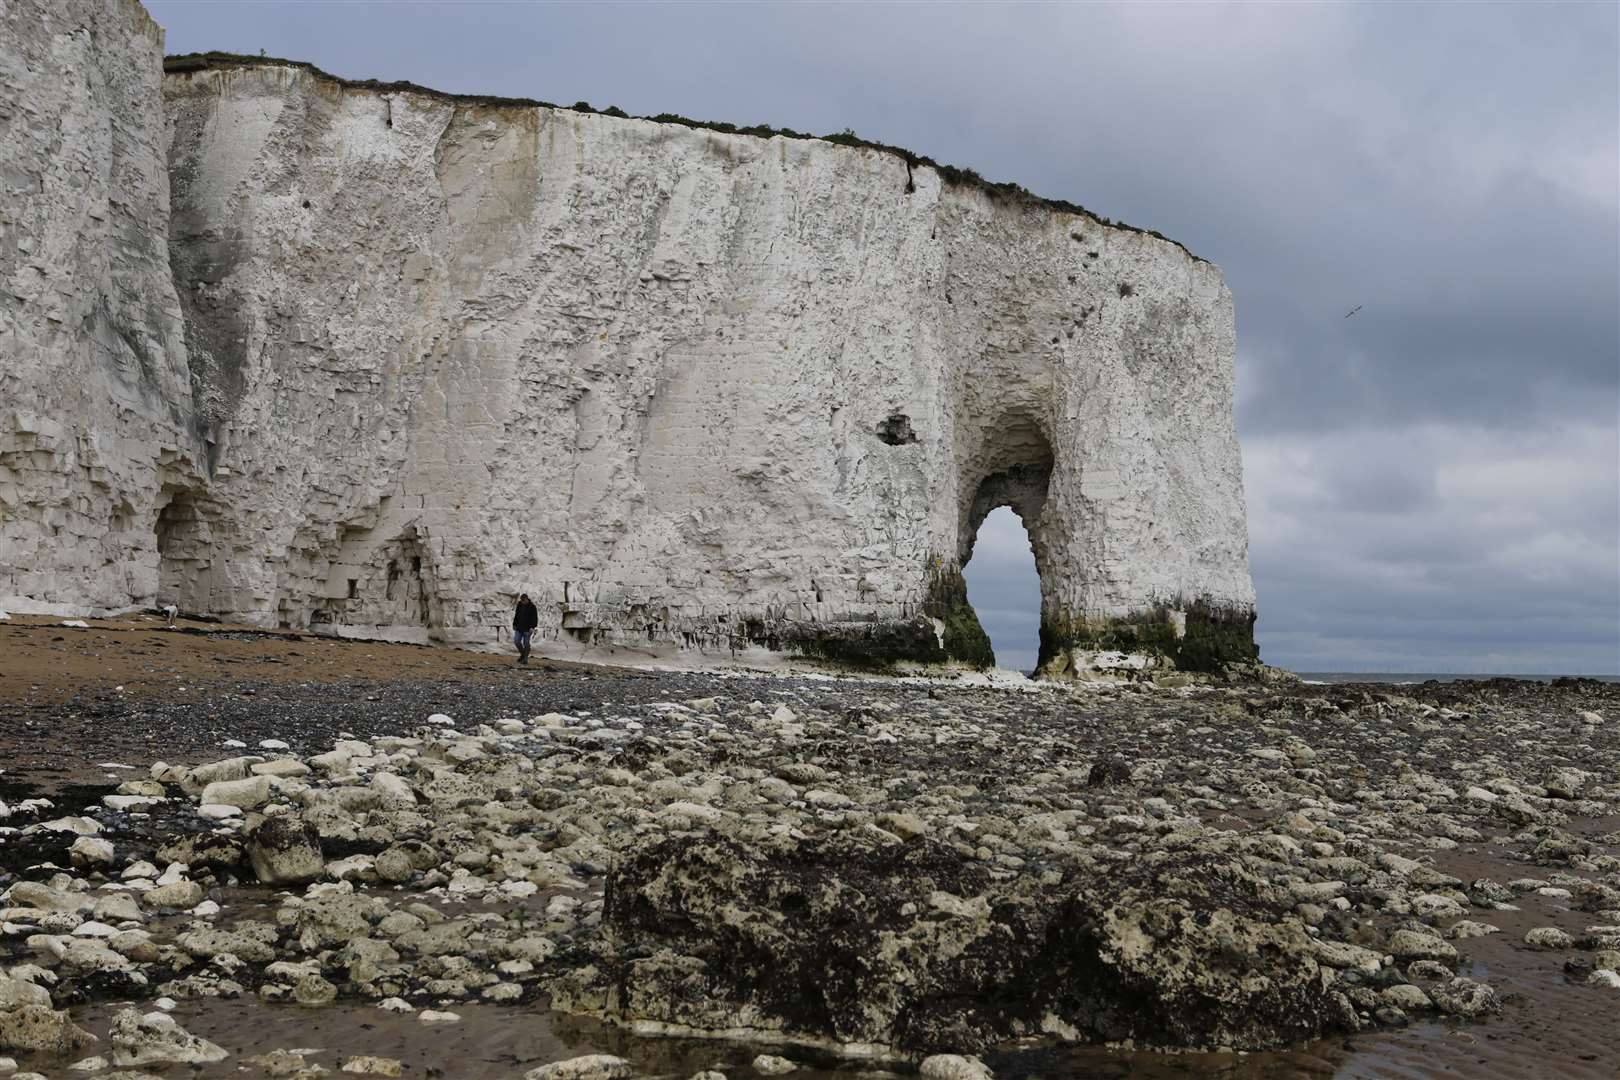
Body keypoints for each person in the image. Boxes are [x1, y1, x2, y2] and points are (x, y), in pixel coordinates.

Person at [512, 593, 538, 665]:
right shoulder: (519, 605)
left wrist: (532, 627)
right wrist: (514, 624)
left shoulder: (532, 607)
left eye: (524, 600)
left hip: (527, 629)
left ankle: (525, 659)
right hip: (519, 628)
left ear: (527, 599)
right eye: (522, 600)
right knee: (516, 641)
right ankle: (523, 655)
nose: (523, 602)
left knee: (526, 643)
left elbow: (535, 618)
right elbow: (516, 615)